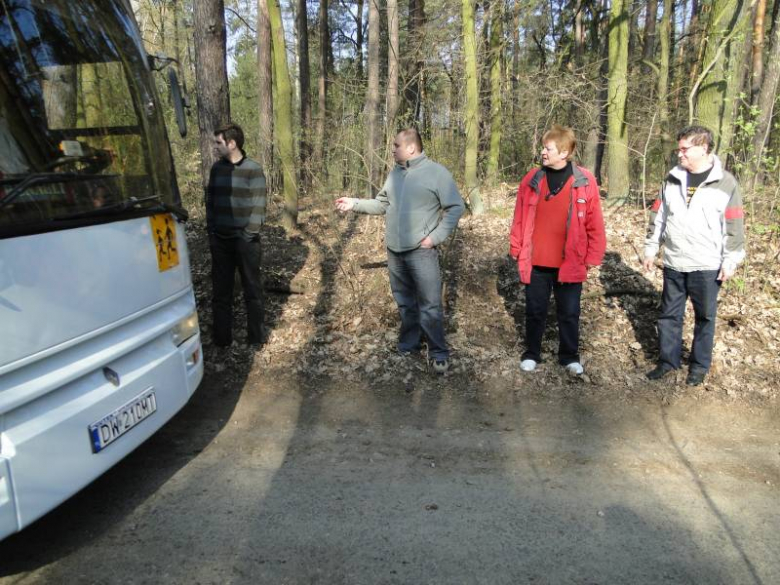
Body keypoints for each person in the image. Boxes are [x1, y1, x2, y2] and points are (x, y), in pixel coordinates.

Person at [335, 128, 465, 374]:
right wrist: (354, 203)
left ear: (411, 148)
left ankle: (438, 352)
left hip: (421, 252)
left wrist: (434, 237)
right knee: (405, 303)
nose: (392, 149)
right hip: (395, 251)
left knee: (430, 305)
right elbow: (382, 204)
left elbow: (456, 207)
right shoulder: (395, 174)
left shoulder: (436, 173)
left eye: (396, 146)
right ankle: (409, 345)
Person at [643, 125, 745, 386]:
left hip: (707, 264)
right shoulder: (672, 178)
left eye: (685, 149)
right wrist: (651, 248)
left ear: (703, 147)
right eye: (679, 149)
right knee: (669, 315)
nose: (680, 154)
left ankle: (699, 367)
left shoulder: (727, 182)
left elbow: (734, 226)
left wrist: (731, 259)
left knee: (705, 318)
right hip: (675, 261)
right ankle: (668, 362)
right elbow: (659, 216)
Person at [509, 125, 606, 375]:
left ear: (564, 152)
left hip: (570, 262)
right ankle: (532, 353)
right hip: (536, 260)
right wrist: (516, 247)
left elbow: (594, 221)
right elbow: (519, 216)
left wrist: (594, 254)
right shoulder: (532, 179)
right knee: (535, 311)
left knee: (570, 313)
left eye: (548, 148)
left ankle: (569, 357)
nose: (543, 152)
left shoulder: (585, 181)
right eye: (544, 147)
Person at [206, 123, 267, 347]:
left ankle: (256, 339)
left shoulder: (253, 169)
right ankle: (222, 341)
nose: (215, 147)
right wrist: (212, 232)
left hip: (245, 243)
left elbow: (259, 206)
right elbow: (210, 202)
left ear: (232, 144)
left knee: (252, 290)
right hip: (220, 242)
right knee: (221, 293)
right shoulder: (216, 169)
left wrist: (249, 234)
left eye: (218, 143)